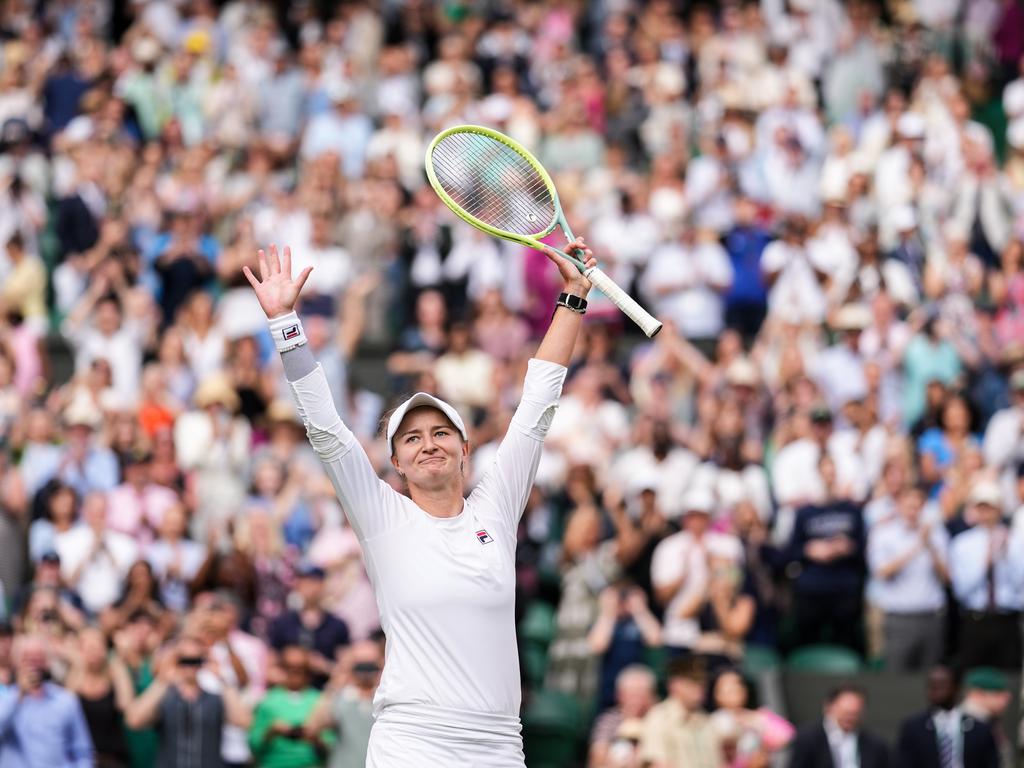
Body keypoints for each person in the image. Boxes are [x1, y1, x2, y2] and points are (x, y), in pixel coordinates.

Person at [242, 238, 597, 766]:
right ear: (397, 466)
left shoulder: (495, 510)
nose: (428, 443)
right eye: (410, 439)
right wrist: (285, 325)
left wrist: (571, 296)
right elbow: (326, 429)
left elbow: (536, 408)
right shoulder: (382, 516)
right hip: (412, 742)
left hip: (498, 746)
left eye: (440, 433)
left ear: (465, 450)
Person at [124, 634, 251, 768]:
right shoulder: (165, 698)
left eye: (195, 660)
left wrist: (222, 678)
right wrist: (163, 679)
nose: (190, 666)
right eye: (184, 660)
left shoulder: (214, 699)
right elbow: (133, 720)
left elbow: (244, 721)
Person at [866, 485, 949, 672]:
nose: (913, 511)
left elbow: (946, 577)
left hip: (931, 617)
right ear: (898, 506)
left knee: (931, 677)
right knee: (897, 676)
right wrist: (917, 546)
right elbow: (882, 573)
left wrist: (930, 546)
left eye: (917, 506)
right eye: (908, 506)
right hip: (899, 618)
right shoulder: (883, 534)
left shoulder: (935, 534)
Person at [949, 480, 1024, 670]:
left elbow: (1019, 584)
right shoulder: (962, 543)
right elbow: (961, 590)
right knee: (973, 675)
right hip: (975, 620)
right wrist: (986, 563)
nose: (985, 513)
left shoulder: (1016, 541)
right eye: (981, 508)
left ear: (999, 509)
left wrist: (1007, 557)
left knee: (1009, 676)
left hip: (1007, 618)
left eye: (990, 508)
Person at [0, 633, 94, 767]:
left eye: (38, 658)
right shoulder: (5, 699)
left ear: (47, 662)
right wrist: (18, 694)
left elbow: (82, 751)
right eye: (27, 658)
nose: (33, 665)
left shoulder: (65, 701)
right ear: (16, 661)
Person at [896, 664, 999, 768]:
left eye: (942, 685)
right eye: (932, 686)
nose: (936, 691)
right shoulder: (913, 728)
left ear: (956, 688)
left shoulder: (980, 729)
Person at [304, 639, 383, 768]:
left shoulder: (386, 700)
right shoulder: (341, 697)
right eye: (360, 666)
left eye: (371, 665)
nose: (366, 672)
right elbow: (312, 727)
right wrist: (339, 675)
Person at [248, 645, 330, 767]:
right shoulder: (268, 700)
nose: (295, 673)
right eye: (289, 668)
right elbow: (254, 744)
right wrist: (271, 732)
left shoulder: (321, 701)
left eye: (301, 669)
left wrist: (315, 738)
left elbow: (331, 746)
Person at [637, 656, 721, 768]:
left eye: (702, 683)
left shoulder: (705, 719)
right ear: (674, 685)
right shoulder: (660, 717)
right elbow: (657, 764)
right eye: (692, 682)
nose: (700, 688)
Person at [787, 684, 890, 768]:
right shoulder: (807, 739)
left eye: (855, 714)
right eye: (845, 713)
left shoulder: (876, 745)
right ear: (828, 708)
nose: (850, 718)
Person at [588, 665, 657, 768]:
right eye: (632, 694)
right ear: (620, 695)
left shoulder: (658, 718)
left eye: (641, 694)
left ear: (650, 696)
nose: (636, 700)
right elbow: (597, 757)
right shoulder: (608, 719)